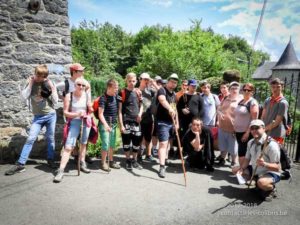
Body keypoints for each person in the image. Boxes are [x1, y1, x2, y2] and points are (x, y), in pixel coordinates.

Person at [5, 65, 58, 176]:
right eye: (38, 75)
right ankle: (20, 164)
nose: (39, 77)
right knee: (30, 138)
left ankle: (50, 159)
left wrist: (52, 89)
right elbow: (24, 97)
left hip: (50, 115)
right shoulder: (30, 82)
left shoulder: (48, 83)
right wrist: (30, 84)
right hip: (38, 117)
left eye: (42, 76)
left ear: (45, 76)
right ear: (35, 73)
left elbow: (56, 101)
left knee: (50, 138)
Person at [53, 77, 92, 183]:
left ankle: (82, 162)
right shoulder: (69, 96)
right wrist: (76, 114)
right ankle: (61, 170)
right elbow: (65, 112)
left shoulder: (87, 95)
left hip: (85, 121)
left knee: (84, 143)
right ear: (74, 85)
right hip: (74, 122)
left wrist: (90, 109)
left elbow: (90, 108)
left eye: (83, 85)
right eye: (79, 84)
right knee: (69, 146)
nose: (81, 87)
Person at [232, 119, 281, 201]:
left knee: (262, 183)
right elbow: (247, 159)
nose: (254, 130)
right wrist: (242, 169)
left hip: (270, 172)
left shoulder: (271, 145)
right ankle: (257, 182)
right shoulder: (250, 142)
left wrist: (264, 164)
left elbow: (277, 168)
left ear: (264, 128)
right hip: (256, 169)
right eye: (252, 128)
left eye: (257, 128)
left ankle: (271, 189)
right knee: (235, 170)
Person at [56, 63, 93, 163]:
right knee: (73, 135)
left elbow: (88, 94)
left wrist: (89, 105)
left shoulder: (84, 82)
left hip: (83, 112)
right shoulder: (66, 83)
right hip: (71, 113)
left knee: (84, 137)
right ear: (74, 72)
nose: (83, 72)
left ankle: (83, 156)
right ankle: (76, 154)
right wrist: (62, 98)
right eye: (81, 71)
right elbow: (54, 88)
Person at [118, 72, 143, 170]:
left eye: (133, 81)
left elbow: (142, 106)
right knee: (126, 142)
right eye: (129, 81)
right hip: (126, 121)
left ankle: (134, 160)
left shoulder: (138, 92)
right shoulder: (122, 92)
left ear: (136, 81)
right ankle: (128, 160)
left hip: (136, 121)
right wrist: (121, 125)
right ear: (126, 81)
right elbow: (119, 110)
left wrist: (140, 114)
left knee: (136, 142)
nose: (131, 83)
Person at [156, 73, 179, 178]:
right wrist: (169, 108)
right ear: (168, 81)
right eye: (172, 81)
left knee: (169, 143)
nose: (173, 84)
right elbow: (162, 100)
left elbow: (175, 109)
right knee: (163, 144)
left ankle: (165, 160)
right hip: (162, 122)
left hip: (172, 123)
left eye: (175, 82)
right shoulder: (162, 90)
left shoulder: (174, 94)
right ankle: (161, 167)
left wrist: (177, 122)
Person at [217, 81, 242, 167]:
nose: (234, 90)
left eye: (236, 88)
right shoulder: (225, 98)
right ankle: (222, 158)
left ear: (239, 90)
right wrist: (220, 114)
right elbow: (219, 108)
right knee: (222, 144)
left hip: (233, 128)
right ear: (230, 89)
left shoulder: (241, 100)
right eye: (232, 88)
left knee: (233, 146)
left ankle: (234, 161)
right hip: (222, 126)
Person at [233, 83, 259, 166]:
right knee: (241, 152)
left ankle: (243, 171)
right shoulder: (241, 101)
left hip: (245, 132)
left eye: (249, 90)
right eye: (244, 90)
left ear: (252, 92)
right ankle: (243, 170)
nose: (246, 91)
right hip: (238, 131)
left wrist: (247, 133)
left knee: (243, 152)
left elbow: (254, 119)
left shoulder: (252, 102)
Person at [98, 79, 121, 172]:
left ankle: (111, 161)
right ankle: (103, 163)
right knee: (106, 143)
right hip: (105, 125)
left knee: (112, 144)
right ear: (109, 87)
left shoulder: (116, 97)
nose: (117, 89)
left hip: (113, 124)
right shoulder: (103, 98)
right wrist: (106, 125)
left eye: (117, 87)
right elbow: (100, 114)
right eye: (115, 88)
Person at [261, 78, 289, 145]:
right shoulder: (267, 100)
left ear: (282, 87)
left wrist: (264, 129)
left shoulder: (283, 103)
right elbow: (262, 116)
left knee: (274, 154)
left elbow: (277, 122)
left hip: (276, 134)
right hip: (265, 133)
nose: (275, 89)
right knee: (264, 153)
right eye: (273, 87)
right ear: (271, 87)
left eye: (278, 87)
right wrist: (261, 128)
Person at [138, 72, 156, 162]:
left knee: (148, 137)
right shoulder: (136, 90)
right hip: (139, 117)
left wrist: (153, 83)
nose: (146, 81)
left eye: (147, 79)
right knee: (139, 137)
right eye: (145, 79)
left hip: (149, 117)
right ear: (140, 79)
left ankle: (148, 154)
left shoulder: (151, 91)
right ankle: (139, 155)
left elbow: (161, 92)